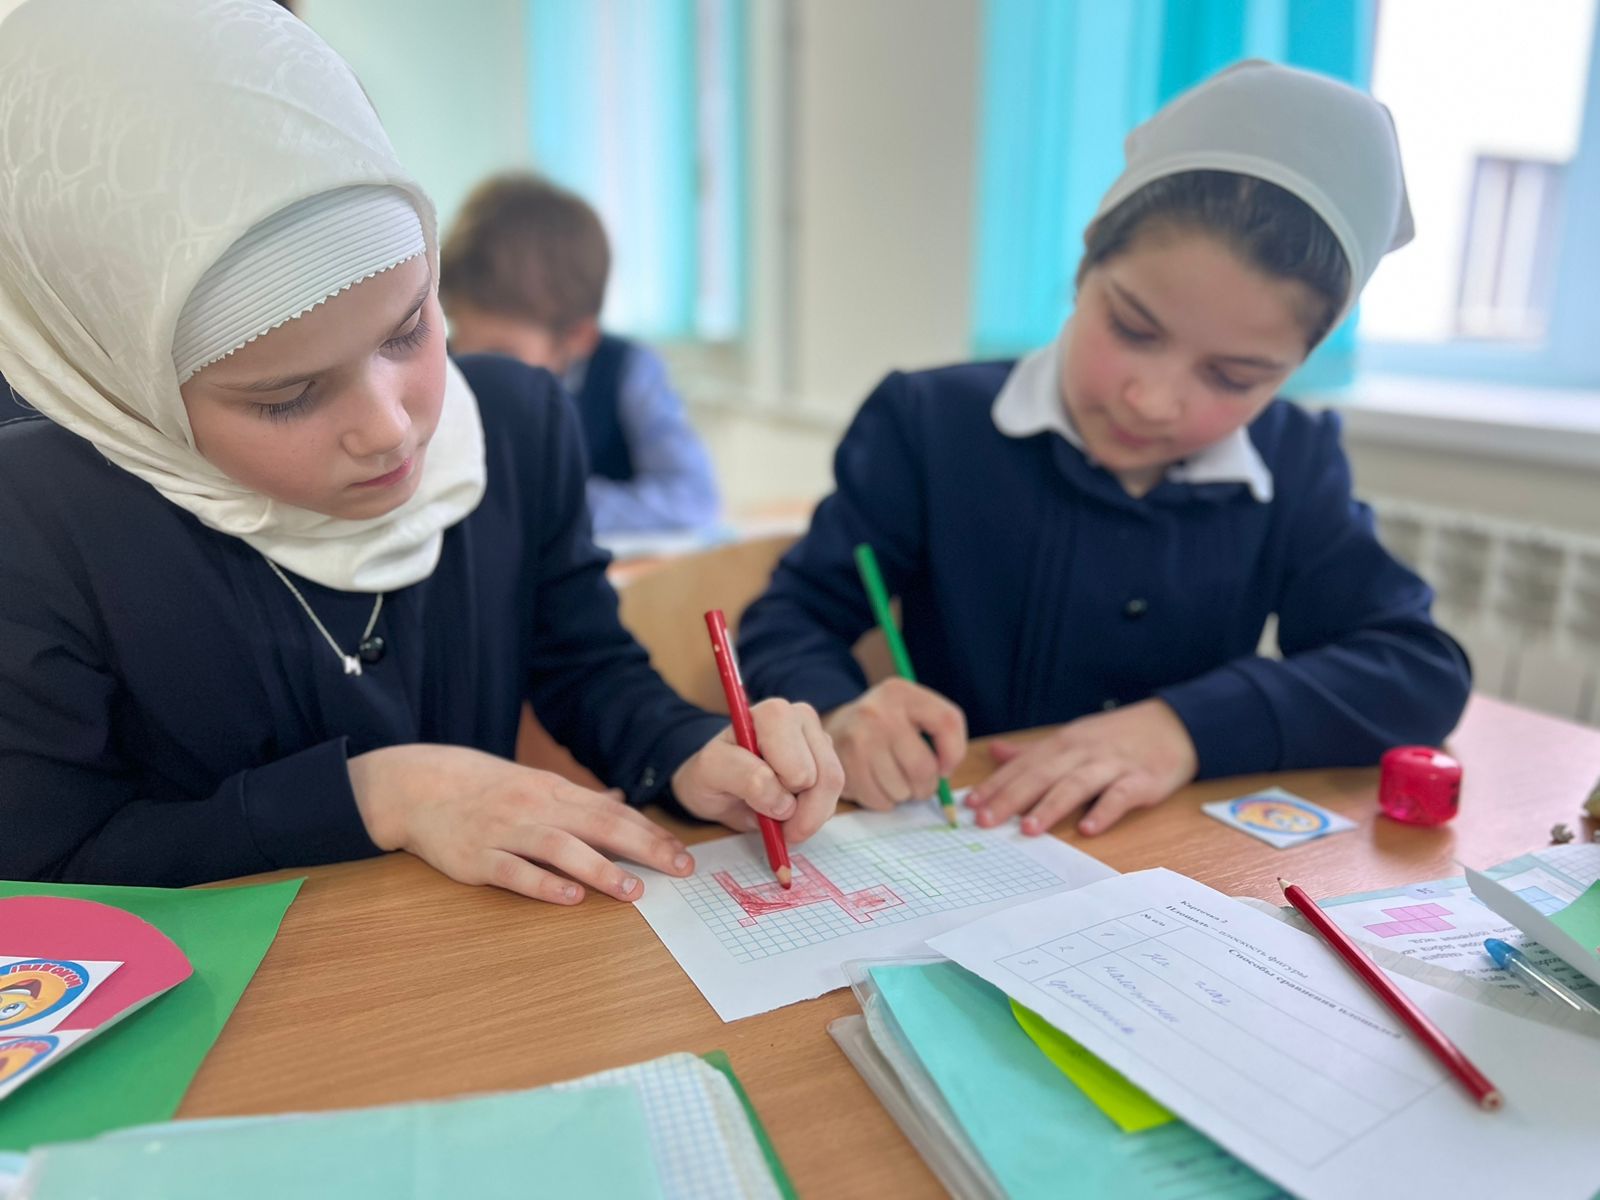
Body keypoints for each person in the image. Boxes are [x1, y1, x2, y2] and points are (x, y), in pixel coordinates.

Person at [0, 0, 842, 898]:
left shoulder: (516, 424)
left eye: (409, 330)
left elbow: (585, 665)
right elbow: (47, 867)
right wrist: (374, 795)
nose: (391, 428)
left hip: (474, 959)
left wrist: (688, 750)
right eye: (287, 397)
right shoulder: (45, 518)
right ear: (127, 386)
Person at [738, 61, 1470, 839]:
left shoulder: (1292, 459)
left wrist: (1184, 727)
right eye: (1132, 329)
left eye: (1232, 376)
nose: (1152, 400)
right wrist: (840, 709)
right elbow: (790, 618)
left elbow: (1418, 669)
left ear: (1294, 368)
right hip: (962, 835)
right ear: (1087, 262)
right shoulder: (928, 424)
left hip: (1170, 859)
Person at [440, 173, 721, 535]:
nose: (468, 366)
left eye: (500, 353)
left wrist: (556, 508)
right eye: (457, 335)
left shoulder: (630, 372)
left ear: (577, 337)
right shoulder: (439, 370)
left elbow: (693, 500)